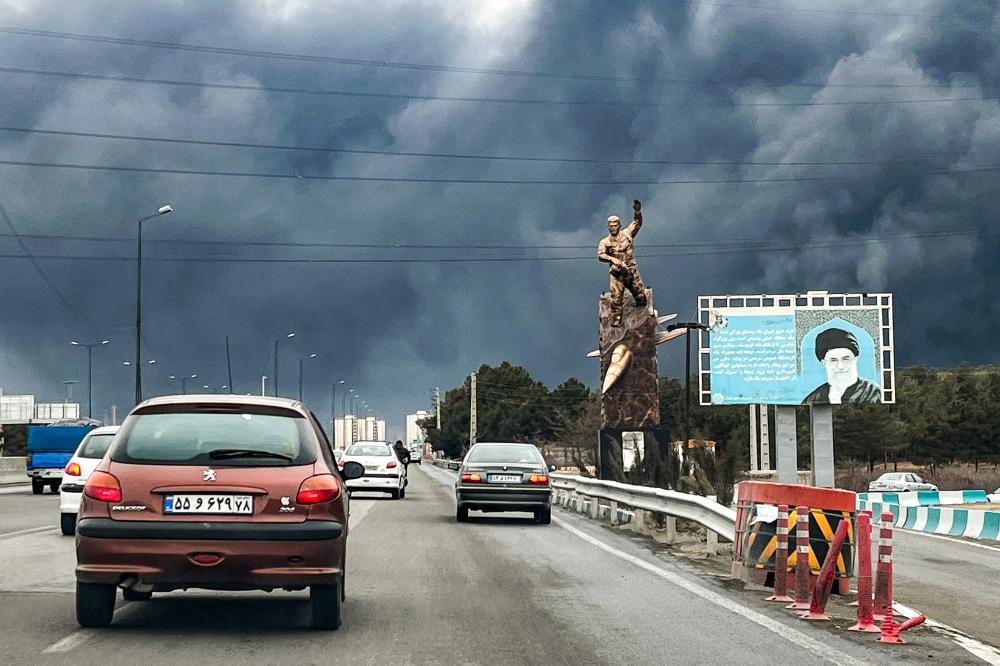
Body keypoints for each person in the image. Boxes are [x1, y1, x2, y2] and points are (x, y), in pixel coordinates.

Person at [598, 199, 647, 327]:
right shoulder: (605, 242)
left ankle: (641, 319)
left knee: (640, 296)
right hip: (617, 274)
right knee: (616, 300)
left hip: (631, 271)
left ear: (619, 225)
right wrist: (612, 258)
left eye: (615, 225)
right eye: (611, 226)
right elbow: (601, 255)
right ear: (608, 227)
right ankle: (615, 325)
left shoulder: (627, 234)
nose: (613, 228)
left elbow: (637, 223)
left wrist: (637, 211)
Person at [802, 328, 880, 405]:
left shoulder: (873, 391)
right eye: (833, 360)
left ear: (855, 360)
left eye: (846, 359)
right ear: (824, 363)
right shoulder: (813, 398)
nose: (840, 366)